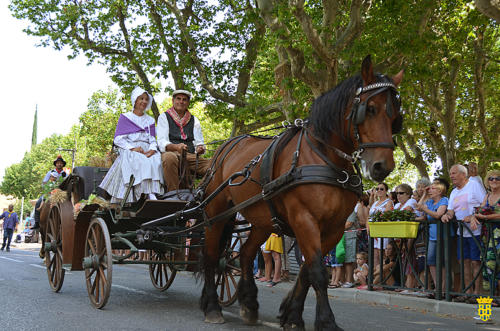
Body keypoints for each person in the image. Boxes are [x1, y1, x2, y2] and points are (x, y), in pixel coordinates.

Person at [99, 86, 164, 203]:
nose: (144, 101)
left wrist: (153, 149)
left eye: (146, 99)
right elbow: (118, 139)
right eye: (141, 99)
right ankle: (144, 193)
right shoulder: (126, 117)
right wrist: (132, 148)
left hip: (146, 148)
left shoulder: (149, 120)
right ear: (135, 100)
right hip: (130, 148)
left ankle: (153, 192)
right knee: (138, 159)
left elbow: (152, 139)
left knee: (157, 160)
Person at [441, 164, 486, 296]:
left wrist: (473, 216)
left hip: (476, 231)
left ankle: (477, 293)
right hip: (461, 232)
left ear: (463, 174)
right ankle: (468, 292)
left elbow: (484, 204)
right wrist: (446, 215)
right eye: (450, 173)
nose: (451, 176)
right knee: (464, 263)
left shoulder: (473, 185)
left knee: (475, 262)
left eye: (454, 173)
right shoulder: (454, 191)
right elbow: (450, 211)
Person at [157, 90, 211, 191]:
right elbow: (161, 142)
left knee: (214, 165)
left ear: (188, 103)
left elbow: (200, 143)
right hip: (171, 153)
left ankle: (198, 192)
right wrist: (176, 147)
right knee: (169, 158)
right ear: (173, 101)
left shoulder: (194, 120)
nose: (181, 102)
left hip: (190, 155)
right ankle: (173, 194)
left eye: (184, 100)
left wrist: (201, 149)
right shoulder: (164, 117)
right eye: (178, 99)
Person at [416, 181, 449, 294]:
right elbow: (419, 208)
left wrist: (424, 209)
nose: (430, 190)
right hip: (432, 236)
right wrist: (424, 194)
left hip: (443, 236)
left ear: (439, 191)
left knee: (442, 263)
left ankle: (443, 289)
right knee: (431, 261)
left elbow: (438, 215)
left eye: (432, 189)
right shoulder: (429, 201)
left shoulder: (444, 200)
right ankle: (437, 287)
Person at [471, 170, 500, 295]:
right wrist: (473, 217)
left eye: (497, 178)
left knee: (493, 263)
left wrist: (487, 218)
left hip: (498, 235)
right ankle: (494, 296)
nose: (494, 181)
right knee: (487, 264)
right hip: (487, 235)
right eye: (491, 178)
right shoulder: (487, 196)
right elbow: (480, 211)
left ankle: (495, 296)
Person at [31, 155, 68, 229]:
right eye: (58, 163)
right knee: (38, 202)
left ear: (63, 164)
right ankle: (37, 222)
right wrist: (48, 189)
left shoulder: (65, 174)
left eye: (61, 163)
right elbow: (44, 183)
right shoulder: (50, 172)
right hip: (49, 192)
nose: (59, 164)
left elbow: (67, 184)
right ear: (55, 164)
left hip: (61, 193)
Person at [367, 183, 393, 268]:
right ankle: (376, 277)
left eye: (381, 189)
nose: (379, 190)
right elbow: (369, 216)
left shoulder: (389, 202)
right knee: (374, 254)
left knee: (382, 253)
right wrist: (368, 227)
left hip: (383, 230)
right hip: (373, 231)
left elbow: (387, 215)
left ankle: (383, 277)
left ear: (386, 191)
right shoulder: (375, 203)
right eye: (377, 188)